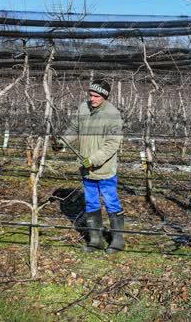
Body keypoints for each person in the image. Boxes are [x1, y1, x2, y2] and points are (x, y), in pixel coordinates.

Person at [52, 79, 125, 253]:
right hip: (86, 168)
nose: (92, 99)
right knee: (91, 203)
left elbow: (112, 144)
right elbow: (73, 129)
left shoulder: (113, 115)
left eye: (97, 96)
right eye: (91, 95)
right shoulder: (83, 108)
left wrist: (93, 160)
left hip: (104, 170)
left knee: (111, 203)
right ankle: (95, 240)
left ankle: (117, 241)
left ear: (105, 96)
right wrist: (61, 143)